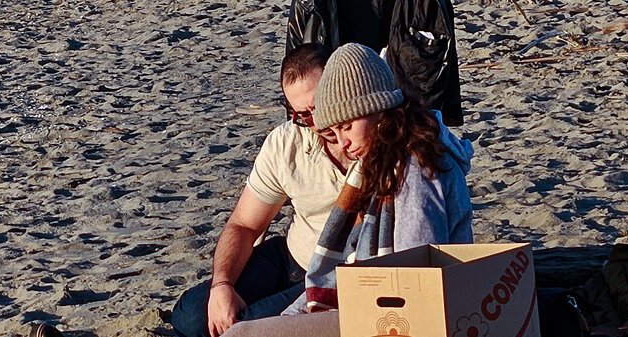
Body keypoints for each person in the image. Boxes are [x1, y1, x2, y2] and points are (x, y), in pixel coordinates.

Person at [224, 43, 473, 337]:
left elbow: (413, 275)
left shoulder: (413, 168)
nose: (341, 142)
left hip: (390, 314)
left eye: (347, 126)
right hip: (357, 296)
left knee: (240, 334)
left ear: (375, 108)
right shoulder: (379, 159)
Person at [172, 44, 349, 337]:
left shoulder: (370, 138)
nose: (315, 123)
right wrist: (222, 286)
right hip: (292, 256)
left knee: (247, 327)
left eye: (318, 108)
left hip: (338, 276)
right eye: (302, 115)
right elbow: (244, 224)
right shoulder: (288, 141)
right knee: (192, 315)